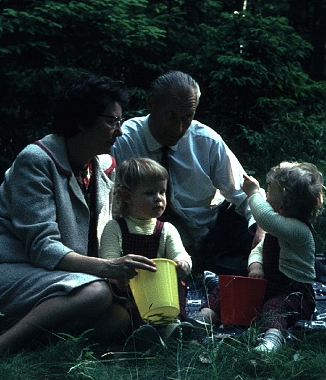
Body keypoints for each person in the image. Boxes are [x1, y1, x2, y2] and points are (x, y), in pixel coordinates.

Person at [0, 74, 158, 372]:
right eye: (112, 121)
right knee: (96, 292)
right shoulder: (36, 160)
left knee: (118, 318)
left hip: (49, 279)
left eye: (120, 121)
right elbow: (43, 248)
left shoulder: (97, 168)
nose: (120, 131)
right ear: (81, 121)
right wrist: (108, 269)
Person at [112, 70, 264, 276]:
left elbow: (244, 193)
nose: (179, 128)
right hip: (147, 237)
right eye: (171, 116)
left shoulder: (206, 141)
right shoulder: (123, 141)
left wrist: (261, 229)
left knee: (268, 244)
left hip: (213, 233)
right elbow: (109, 202)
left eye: (187, 118)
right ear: (151, 104)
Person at [199, 162, 325, 353]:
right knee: (226, 289)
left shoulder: (298, 230)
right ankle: (202, 320)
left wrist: (253, 193)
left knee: (275, 307)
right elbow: (260, 248)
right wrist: (256, 265)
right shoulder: (279, 226)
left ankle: (272, 340)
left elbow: (264, 218)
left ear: (282, 206)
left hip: (295, 293)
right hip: (268, 286)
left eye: (269, 191)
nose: (265, 195)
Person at [99, 157, 205, 349]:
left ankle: (173, 328)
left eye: (162, 191)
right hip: (129, 291)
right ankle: (142, 334)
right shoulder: (115, 227)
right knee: (121, 310)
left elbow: (180, 254)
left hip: (162, 293)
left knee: (175, 294)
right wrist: (118, 277)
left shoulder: (166, 229)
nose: (159, 198)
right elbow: (108, 260)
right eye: (149, 193)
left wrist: (183, 263)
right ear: (127, 196)